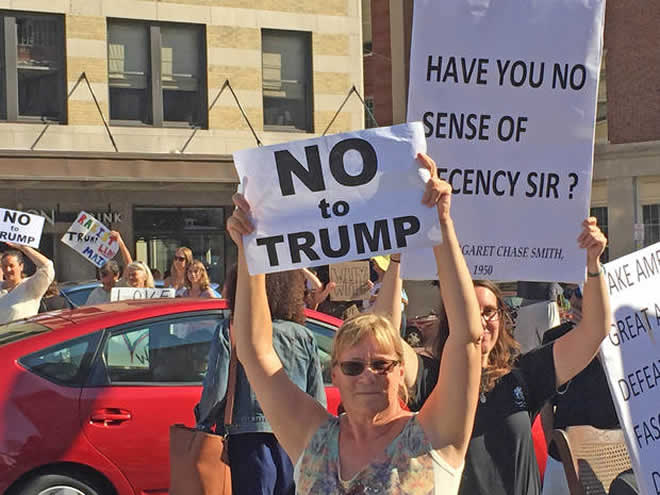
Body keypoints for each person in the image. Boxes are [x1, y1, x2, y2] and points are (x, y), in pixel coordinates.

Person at [226, 153, 483, 493]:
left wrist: (442, 226)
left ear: (400, 371)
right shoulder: (313, 439)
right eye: (353, 366)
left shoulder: (434, 437)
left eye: (381, 364)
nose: (367, 375)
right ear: (334, 375)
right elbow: (255, 352)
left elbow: (467, 338)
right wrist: (251, 248)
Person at [385, 217, 610, 495]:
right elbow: (386, 338)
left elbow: (595, 330)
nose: (480, 321)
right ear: (451, 318)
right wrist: (397, 260)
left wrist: (593, 266)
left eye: (489, 311)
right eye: (470, 311)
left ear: (502, 319)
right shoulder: (431, 377)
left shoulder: (524, 374)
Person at [195, 265, 326, 495]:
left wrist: (204, 420)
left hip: (246, 437)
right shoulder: (303, 335)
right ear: (290, 291)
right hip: (294, 437)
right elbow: (316, 396)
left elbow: (216, 388)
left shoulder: (231, 330)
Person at [540, 284, 621, 495]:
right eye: (569, 293)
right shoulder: (554, 338)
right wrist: (551, 444)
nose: (574, 301)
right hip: (562, 459)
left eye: (580, 293)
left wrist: (595, 336)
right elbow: (546, 402)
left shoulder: (622, 340)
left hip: (612, 458)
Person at [0, 242, 55, 324]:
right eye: (4, 266)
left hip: (22, 331)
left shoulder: (30, 286)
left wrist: (24, 248)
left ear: (21, 266)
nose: (8, 270)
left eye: (11, 266)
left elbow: (47, 267)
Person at [85, 231, 133, 305]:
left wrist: (120, 242)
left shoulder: (122, 287)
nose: (106, 286)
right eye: (104, 283)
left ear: (116, 275)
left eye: (109, 283)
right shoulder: (95, 294)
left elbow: (130, 266)